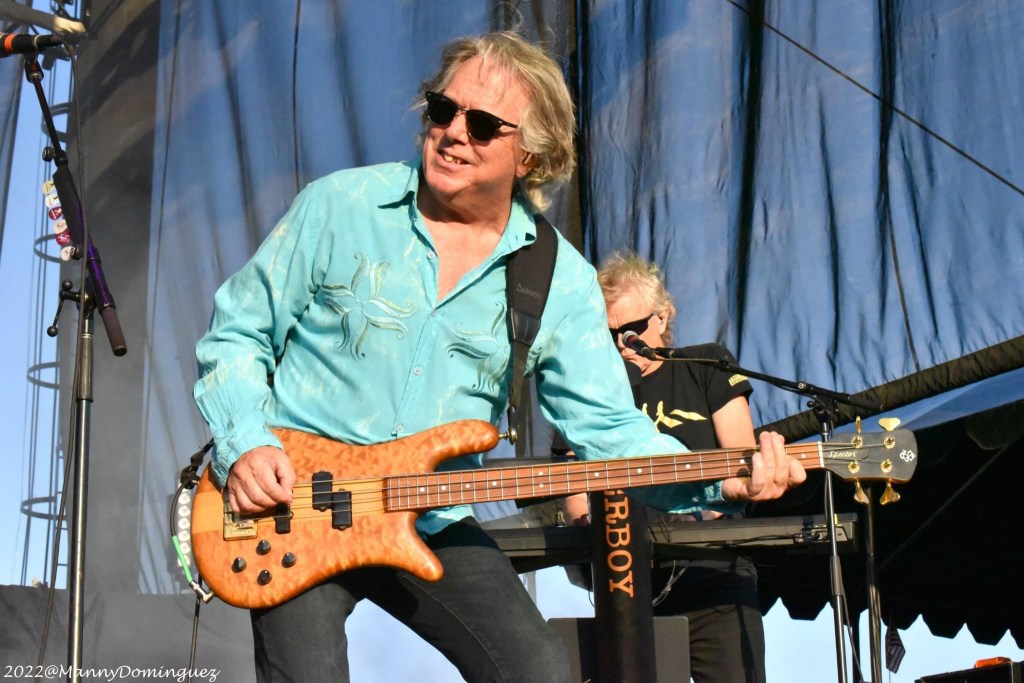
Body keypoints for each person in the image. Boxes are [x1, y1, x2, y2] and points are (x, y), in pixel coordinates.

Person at [193, 32, 805, 683]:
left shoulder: (559, 281)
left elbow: (611, 433)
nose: (453, 133)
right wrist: (246, 442)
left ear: (531, 155)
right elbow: (238, 331)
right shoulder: (341, 206)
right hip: (294, 505)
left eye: (483, 124)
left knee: (540, 670)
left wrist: (726, 478)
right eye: (442, 109)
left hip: (432, 516)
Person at [562, 250, 781, 683]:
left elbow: (739, 461)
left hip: (713, 574)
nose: (622, 344)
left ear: (662, 317)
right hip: (625, 586)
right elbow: (574, 494)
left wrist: (705, 504)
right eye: (609, 334)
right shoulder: (589, 393)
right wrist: (588, 519)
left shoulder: (706, 366)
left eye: (632, 330)